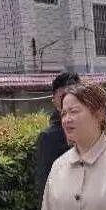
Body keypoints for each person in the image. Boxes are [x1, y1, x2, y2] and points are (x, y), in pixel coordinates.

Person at [35, 72, 80, 202]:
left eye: (73, 96)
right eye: (62, 97)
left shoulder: (92, 130)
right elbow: (45, 186)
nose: (68, 101)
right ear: (54, 100)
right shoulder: (48, 138)